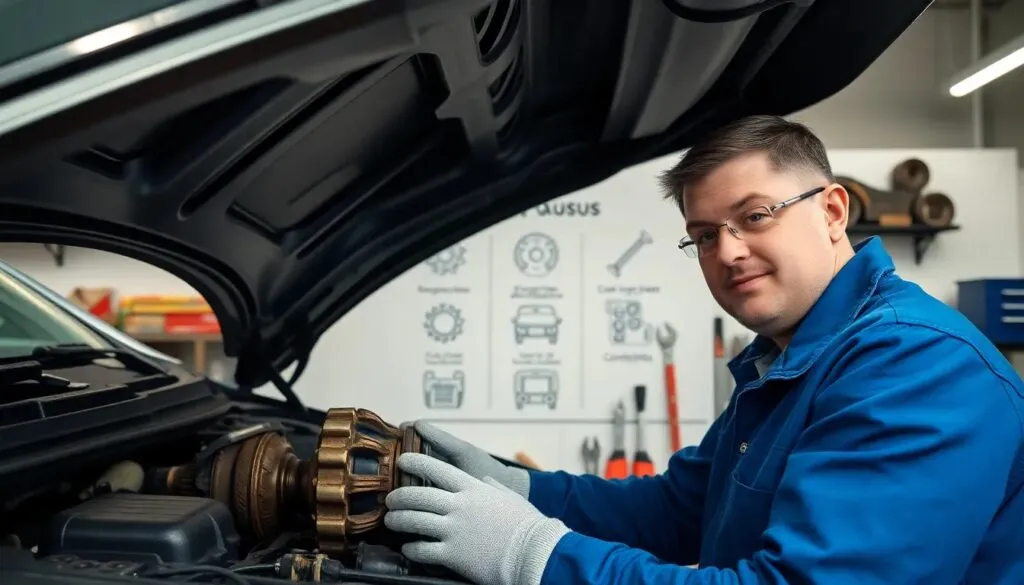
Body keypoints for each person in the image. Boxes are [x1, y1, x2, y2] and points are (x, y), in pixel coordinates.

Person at [382, 115, 1024, 585]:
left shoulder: (915, 365)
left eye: (754, 216)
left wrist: (533, 553)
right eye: (705, 235)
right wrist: (518, 486)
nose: (729, 251)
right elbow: (676, 509)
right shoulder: (789, 360)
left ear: (832, 212)